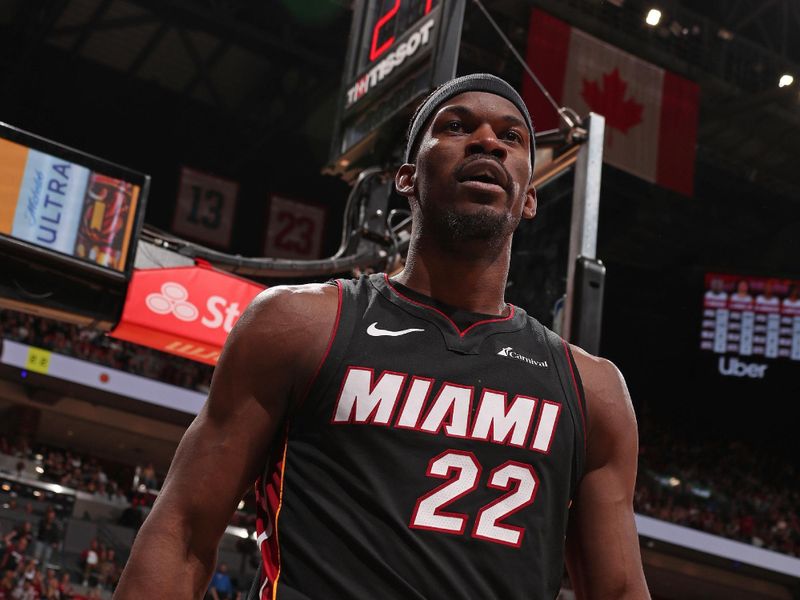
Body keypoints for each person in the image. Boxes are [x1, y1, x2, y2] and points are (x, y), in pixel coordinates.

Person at [116, 74, 649, 599]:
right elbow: (183, 532)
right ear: (406, 178)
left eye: (511, 137)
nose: (488, 140)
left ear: (529, 198)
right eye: (458, 126)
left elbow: (621, 589)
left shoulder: (593, 391)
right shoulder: (298, 325)